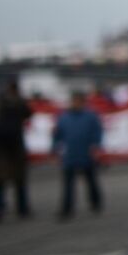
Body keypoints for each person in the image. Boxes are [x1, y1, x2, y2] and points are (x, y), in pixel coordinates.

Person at [54, 91, 104, 220]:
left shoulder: (90, 116)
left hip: (86, 153)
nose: (76, 104)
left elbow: (97, 131)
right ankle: (67, 208)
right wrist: (54, 147)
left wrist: (96, 145)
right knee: (68, 184)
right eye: (74, 101)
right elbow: (57, 134)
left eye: (78, 101)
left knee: (91, 181)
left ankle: (95, 202)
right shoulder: (64, 117)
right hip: (70, 155)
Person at [0, 80, 34, 221]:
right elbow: (29, 113)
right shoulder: (20, 103)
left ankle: (1, 208)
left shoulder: (1, 103)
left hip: (1, 148)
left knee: (0, 181)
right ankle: (22, 208)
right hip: (16, 146)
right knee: (20, 180)